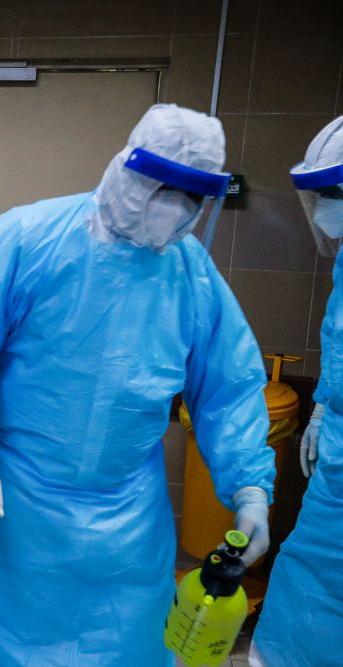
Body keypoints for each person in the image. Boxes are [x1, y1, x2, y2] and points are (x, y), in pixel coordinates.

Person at [0, 104, 276, 666]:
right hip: (15, 509)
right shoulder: (27, 239)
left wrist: (250, 489)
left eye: (193, 197)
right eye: (163, 188)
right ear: (127, 169)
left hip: (126, 530)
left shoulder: (190, 274)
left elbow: (228, 388)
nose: (173, 209)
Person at [250, 115, 343, 667]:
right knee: (309, 576)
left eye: (335, 191)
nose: (327, 209)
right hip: (336, 465)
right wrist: (324, 408)